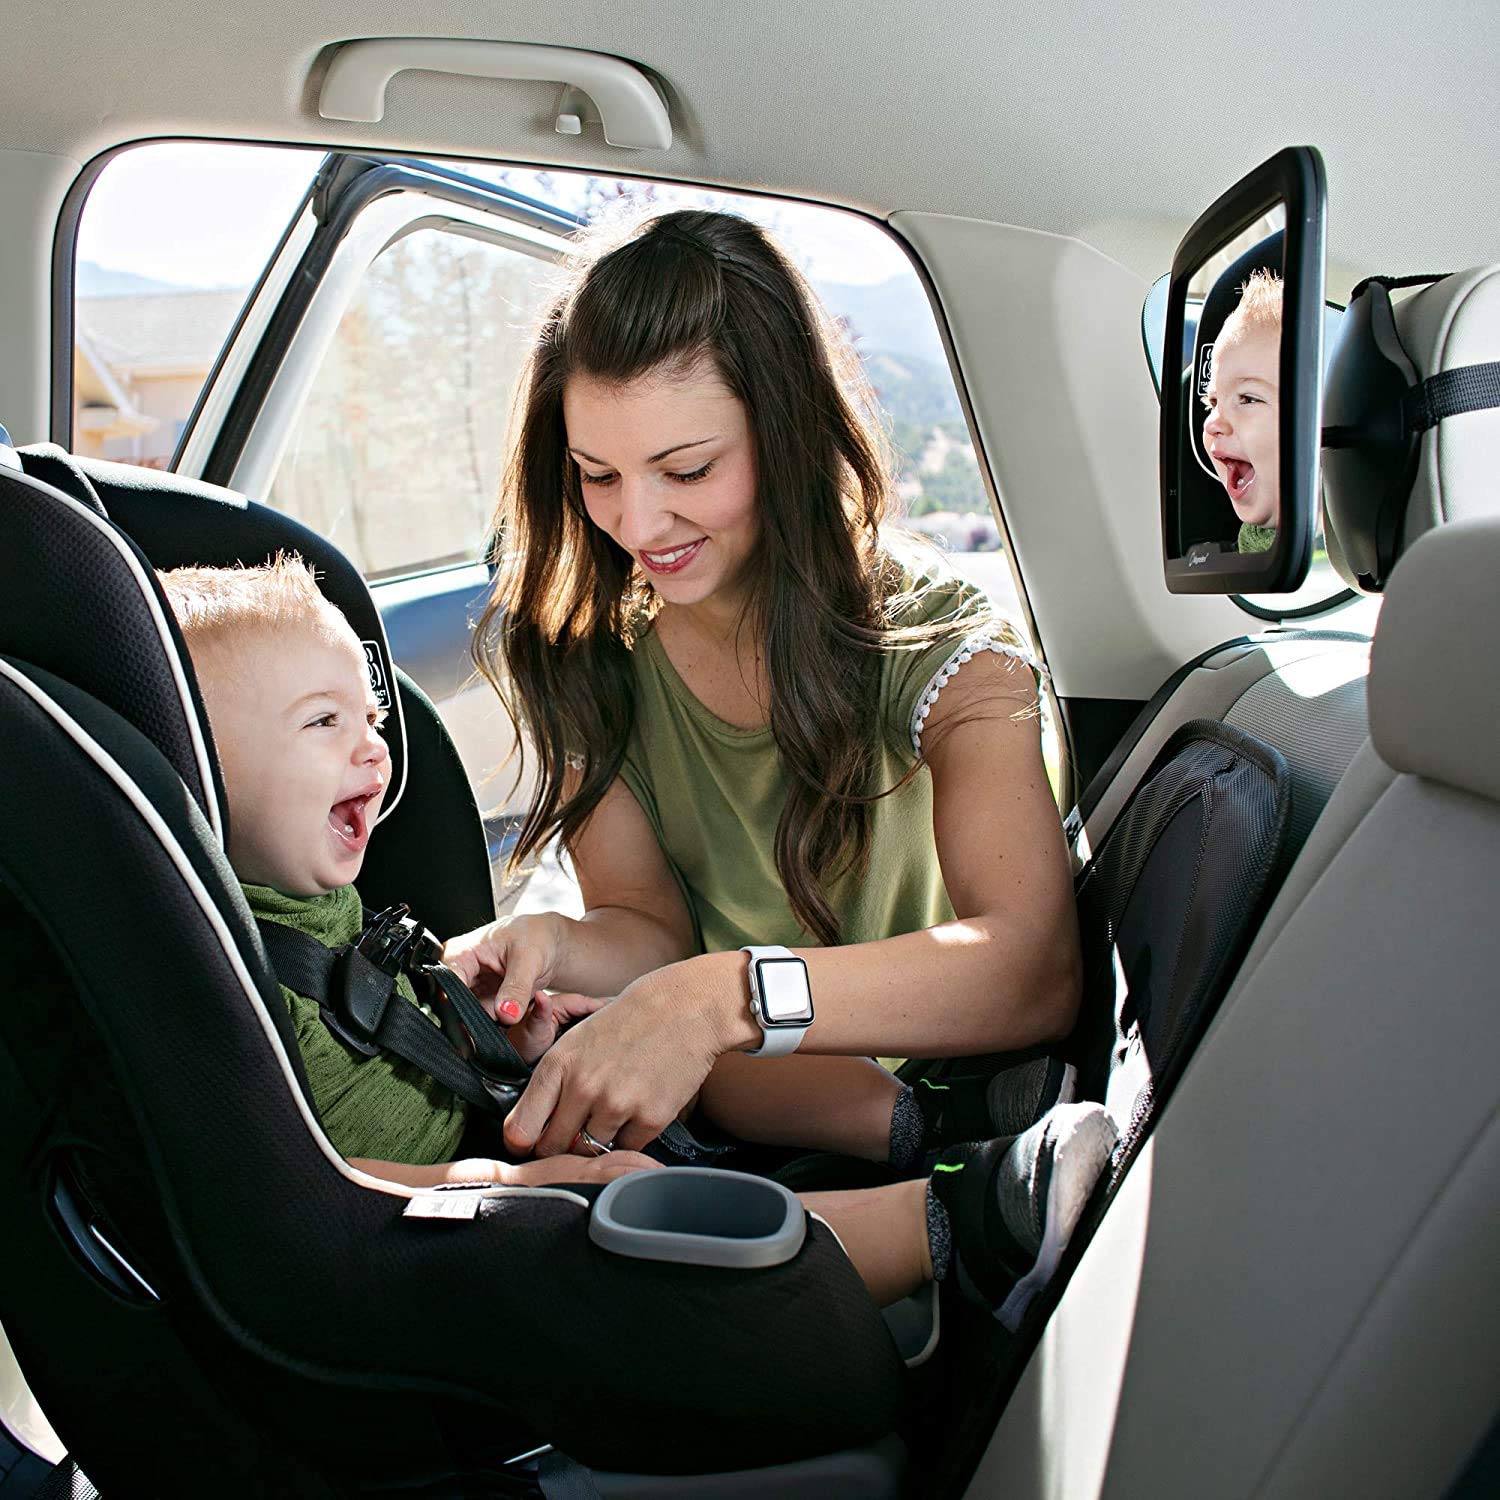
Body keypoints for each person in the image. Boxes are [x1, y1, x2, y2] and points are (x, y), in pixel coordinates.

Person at [156, 555, 1115, 1319]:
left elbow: (393, 1053)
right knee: (619, 1218)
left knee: (665, 1024)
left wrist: (501, 1037)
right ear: (199, 768)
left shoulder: (322, 911)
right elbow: (299, 1181)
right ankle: (957, 1222)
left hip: (496, 1113)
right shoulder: (216, 976)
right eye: (323, 723)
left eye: (371, 717)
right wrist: (516, 1180)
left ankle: (927, 1116)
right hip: (458, 1210)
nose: (373, 746)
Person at [453, 206, 1085, 1172]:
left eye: (687, 469)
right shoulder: (591, 659)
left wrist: (722, 999)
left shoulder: (944, 645)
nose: (637, 520)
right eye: (597, 475)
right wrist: (553, 945)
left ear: (784, 435)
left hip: (937, 1099)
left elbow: (1031, 967)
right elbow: (650, 932)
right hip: (732, 1103)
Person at [1203, 268, 1283, 554]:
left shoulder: (1338, 524)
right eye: (1212, 402)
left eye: (1248, 398)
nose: (1213, 423)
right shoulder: (1253, 541)